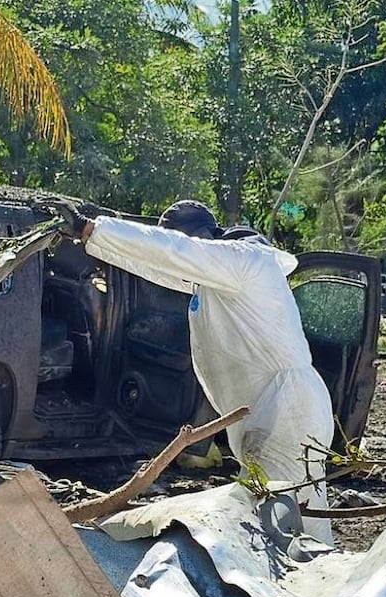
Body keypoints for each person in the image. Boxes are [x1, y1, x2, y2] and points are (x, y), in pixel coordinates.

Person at [49, 199, 336, 544]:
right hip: (272, 409)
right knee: (289, 512)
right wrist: (92, 241)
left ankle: (306, 587)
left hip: (286, 410)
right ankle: (314, 584)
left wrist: (91, 228)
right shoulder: (221, 279)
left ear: (200, 238)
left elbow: (174, 253)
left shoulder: (246, 261)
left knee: (283, 519)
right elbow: (159, 265)